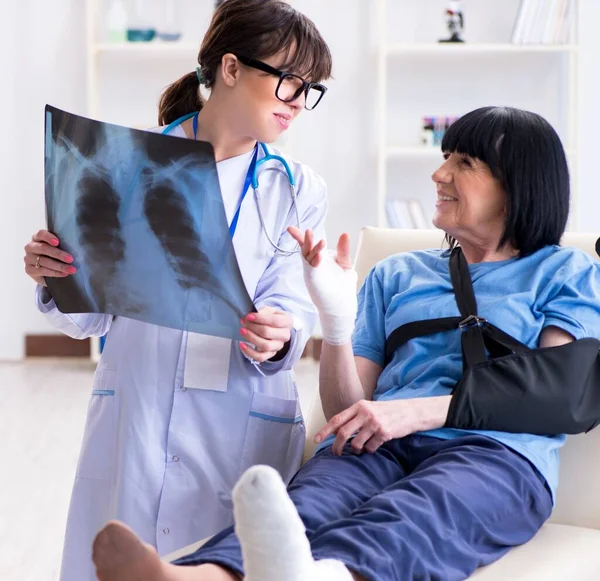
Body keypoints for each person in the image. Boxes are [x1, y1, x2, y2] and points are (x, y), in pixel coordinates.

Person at [90, 106, 600, 581]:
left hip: (494, 456)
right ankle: (197, 576)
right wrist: (335, 319)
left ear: (516, 187)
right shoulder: (397, 274)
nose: (439, 175)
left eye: (463, 162)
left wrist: (415, 413)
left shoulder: (566, 272)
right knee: (305, 507)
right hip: (379, 446)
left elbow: (550, 392)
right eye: (443, 157)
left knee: (411, 515)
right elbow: (347, 409)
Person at [22, 1, 332, 580]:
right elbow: (91, 318)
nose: (298, 102)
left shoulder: (295, 188)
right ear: (233, 69)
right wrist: (56, 276)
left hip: (240, 415)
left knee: (227, 562)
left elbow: (291, 303)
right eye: (290, 81)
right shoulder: (122, 164)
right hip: (138, 406)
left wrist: (282, 333)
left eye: (310, 89)